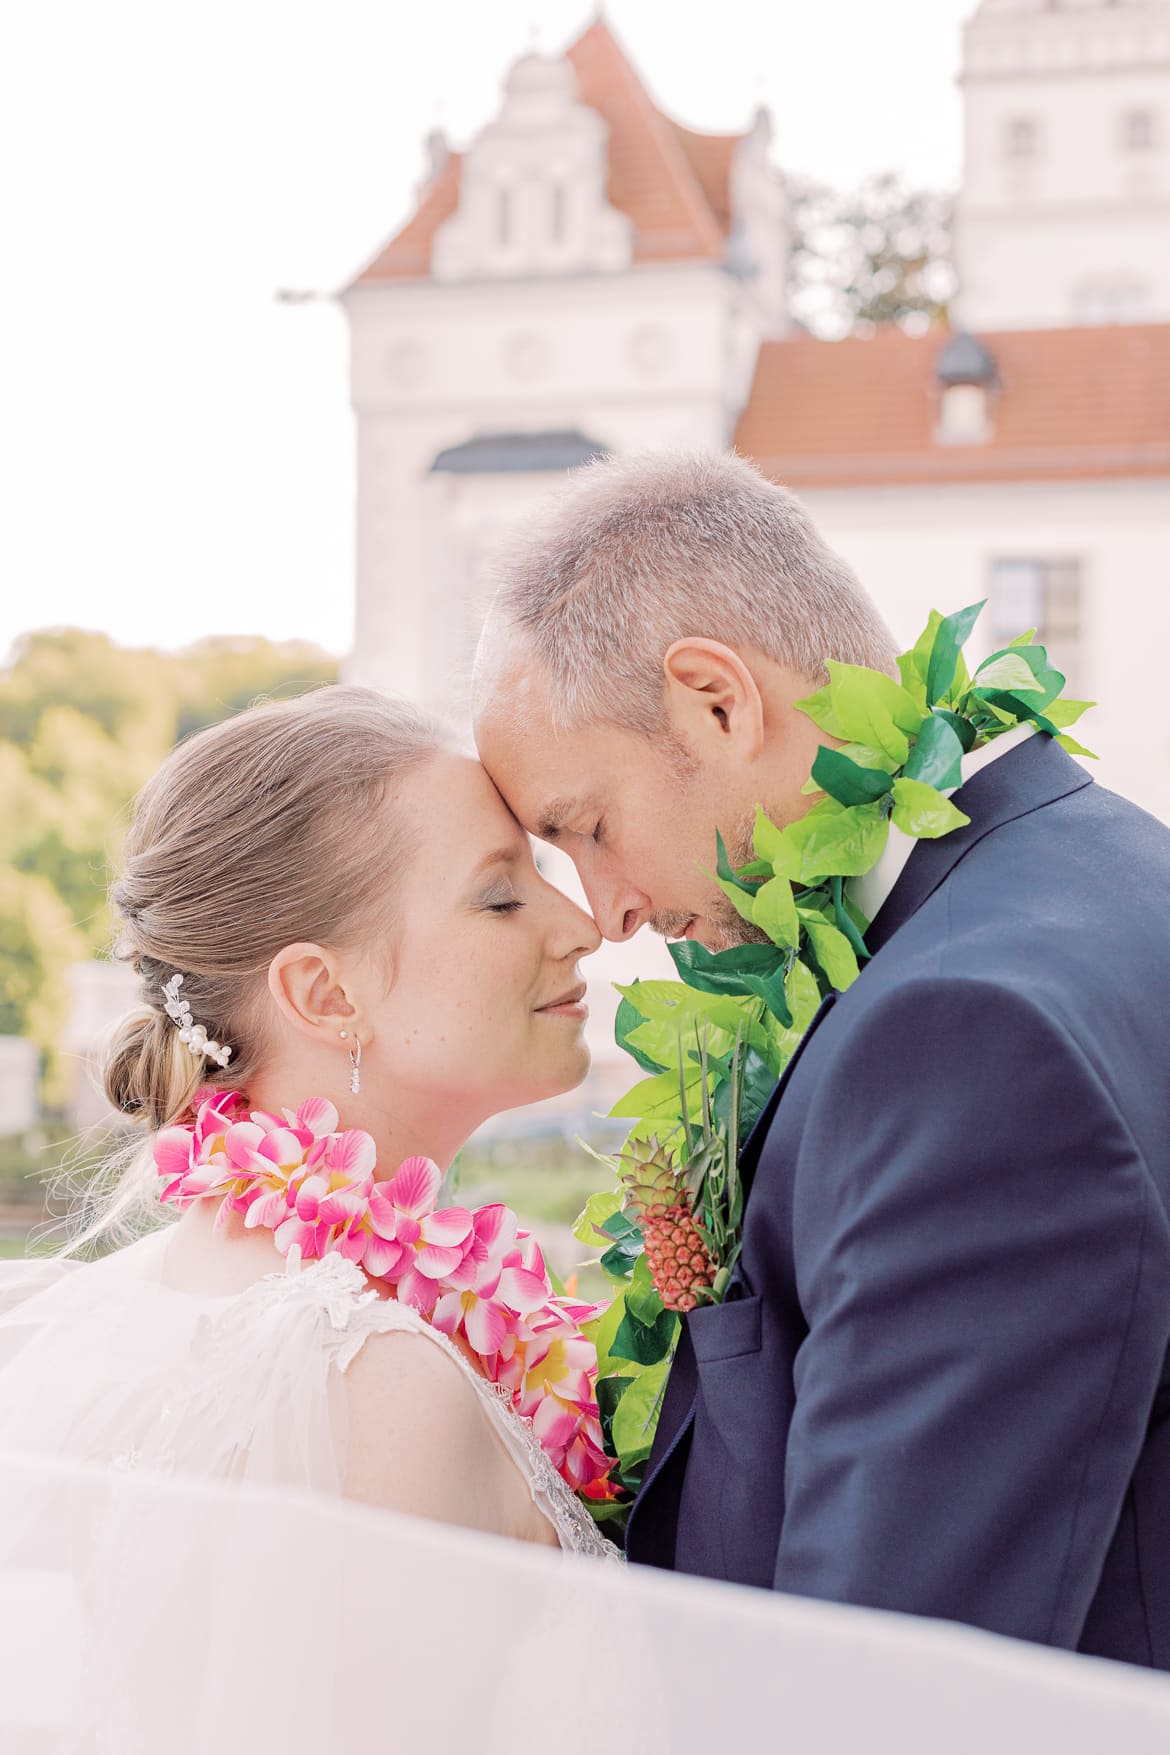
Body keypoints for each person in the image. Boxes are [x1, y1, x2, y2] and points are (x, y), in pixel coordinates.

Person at [473, 449, 1170, 1669]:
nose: (609, 911)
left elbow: (889, 1685)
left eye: (586, 827)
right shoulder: (1104, 869)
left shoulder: (962, 1038)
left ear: (716, 702)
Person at [0, 685, 612, 1559]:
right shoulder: (376, 1381)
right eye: (501, 897)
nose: (583, 927)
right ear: (326, 994)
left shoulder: (205, 1286)